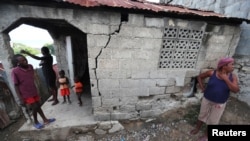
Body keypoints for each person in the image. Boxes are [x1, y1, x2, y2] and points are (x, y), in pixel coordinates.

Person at [190, 57, 240, 141]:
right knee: (202, 115)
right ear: (224, 66)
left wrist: (226, 79)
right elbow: (199, 77)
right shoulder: (212, 73)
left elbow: (235, 90)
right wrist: (202, 87)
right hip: (207, 99)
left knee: (213, 121)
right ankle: (197, 129)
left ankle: (206, 136)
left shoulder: (232, 77)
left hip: (219, 103)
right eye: (232, 64)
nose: (233, 67)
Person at [11, 54, 56, 129]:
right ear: (18, 63)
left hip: (33, 91)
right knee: (35, 107)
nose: (25, 61)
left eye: (25, 59)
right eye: (22, 61)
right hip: (25, 94)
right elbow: (16, 85)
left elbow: (31, 79)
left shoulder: (30, 67)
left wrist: (37, 90)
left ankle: (45, 119)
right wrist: (20, 98)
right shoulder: (15, 71)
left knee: (38, 105)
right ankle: (36, 122)